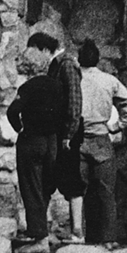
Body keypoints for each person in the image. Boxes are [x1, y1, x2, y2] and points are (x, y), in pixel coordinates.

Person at [77, 40, 127, 244]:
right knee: (106, 193)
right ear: (97, 59)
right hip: (102, 137)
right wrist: (118, 125)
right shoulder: (109, 80)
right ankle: (109, 239)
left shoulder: (73, 80)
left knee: (79, 192)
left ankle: (82, 235)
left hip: (78, 138)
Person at [25, 32, 84, 239]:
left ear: (43, 49)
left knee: (71, 178)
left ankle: (76, 229)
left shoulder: (66, 64)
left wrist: (69, 134)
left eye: (34, 52)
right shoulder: (56, 65)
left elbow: (74, 102)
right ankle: (43, 227)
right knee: (48, 180)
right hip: (56, 131)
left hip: (68, 131)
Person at [6, 43, 65, 250]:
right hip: (52, 140)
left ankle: (39, 236)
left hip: (32, 139)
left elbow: (12, 112)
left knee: (31, 187)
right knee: (46, 186)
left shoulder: (27, 88)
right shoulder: (58, 86)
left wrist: (20, 128)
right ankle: (43, 229)